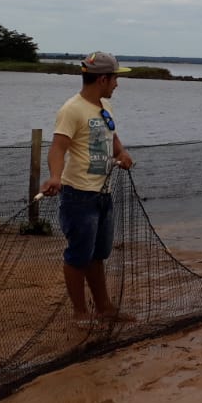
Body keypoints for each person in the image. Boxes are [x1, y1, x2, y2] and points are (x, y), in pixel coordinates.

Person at [41, 51, 135, 321]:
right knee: (78, 256)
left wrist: (122, 153)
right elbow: (58, 148)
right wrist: (55, 177)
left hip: (103, 194)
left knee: (97, 254)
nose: (117, 84)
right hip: (78, 195)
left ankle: (104, 307)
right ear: (103, 79)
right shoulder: (71, 109)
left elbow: (112, 136)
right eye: (115, 79)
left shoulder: (105, 107)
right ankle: (80, 314)